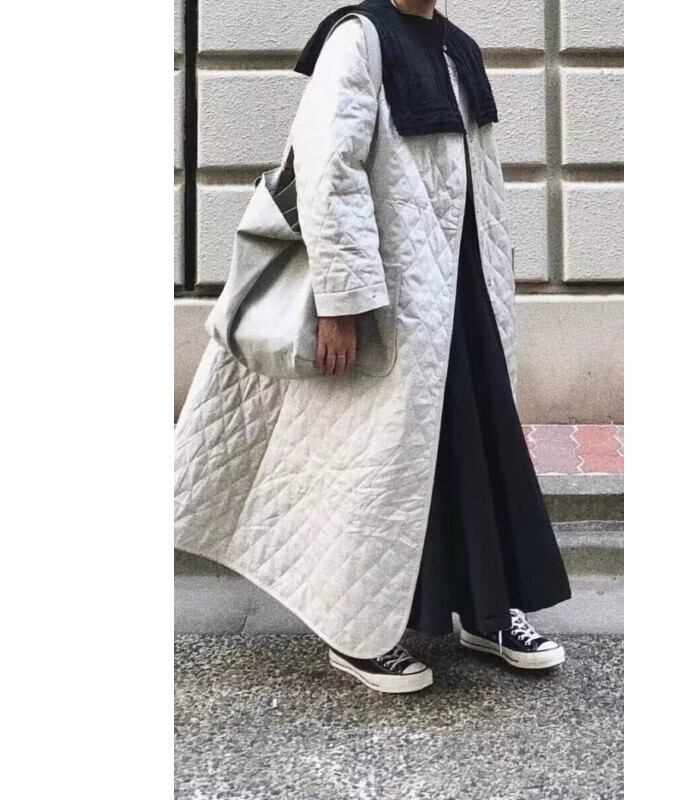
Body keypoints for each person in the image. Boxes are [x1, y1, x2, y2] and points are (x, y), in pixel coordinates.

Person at [174, 0, 571, 694]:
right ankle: (356, 633)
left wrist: (495, 280)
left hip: (462, 292)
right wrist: (344, 298)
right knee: (372, 467)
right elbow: (328, 170)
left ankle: (486, 610)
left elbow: (480, 181)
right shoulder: (358, 39)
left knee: (475, 450)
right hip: (392, 300)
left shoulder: (460, 48)